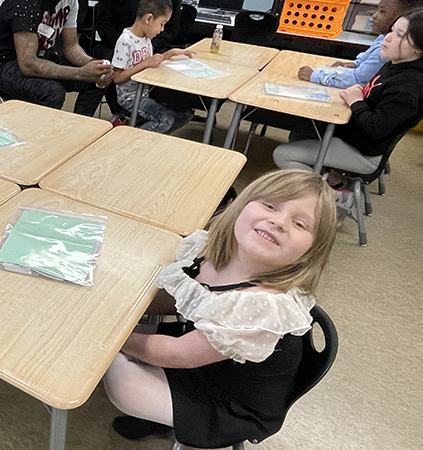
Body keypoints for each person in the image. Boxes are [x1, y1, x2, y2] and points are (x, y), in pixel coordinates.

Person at [103, 169, 338, 446]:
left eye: (300, 224)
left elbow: (180, 355)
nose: (279, 221)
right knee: (127, 342)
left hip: (231, 405)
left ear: (311, 250)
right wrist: (121, 311)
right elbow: (183, 297)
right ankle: (158, 411)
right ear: (243, 205)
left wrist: (111, 339)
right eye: (270, 205)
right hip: (206, 361)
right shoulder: (214, 255)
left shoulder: (262, 307)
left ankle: (167, 413)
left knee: (119, 381)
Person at [275, 10, 423, 174]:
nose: (387, 37)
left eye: (400, 35)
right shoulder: (396, 64)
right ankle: (333, 178)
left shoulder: (407, 87)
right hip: (353, 134)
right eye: (392, 30)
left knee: (283, 155)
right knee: (300, 133)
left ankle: (331, 197)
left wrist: (356, 102)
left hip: (363, 152)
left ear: (418, 48)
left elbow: (376, 128)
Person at [0, 0, 113, 116]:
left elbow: (71, 47)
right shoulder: (25, 3)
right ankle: (40, 137)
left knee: (97, 79)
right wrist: (81, 73)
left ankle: (78, 127)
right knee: (52, 92)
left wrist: (95, 66)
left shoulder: (70, 2)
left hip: (40, 57)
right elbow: (28, 64)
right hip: (1, 66)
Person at [112, 0, 195, 133]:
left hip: (146, 93)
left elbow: (152, 61)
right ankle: (133, 139)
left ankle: (153, 136)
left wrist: (170, 53)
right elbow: (117, 78)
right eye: (162, 24)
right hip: (130, 98)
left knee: (186, 113)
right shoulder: (125, 41)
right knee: (166, 120)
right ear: (149, 18)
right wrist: (145, 63)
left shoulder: (146, 39)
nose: (162, 30)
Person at [297, 0, 421, 88]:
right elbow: (369, 55)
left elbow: (357, 80)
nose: (374, 16)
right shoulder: (385, 36)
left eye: (383, 12)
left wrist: (315, 76)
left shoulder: (388, 51)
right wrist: (355, 64)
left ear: (402, 18)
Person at [95, 0, 183, 61]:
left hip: (154, 46)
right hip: (116, 44)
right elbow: (103, 23)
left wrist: (150, 48)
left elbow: (171, 29)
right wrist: (124, 46)